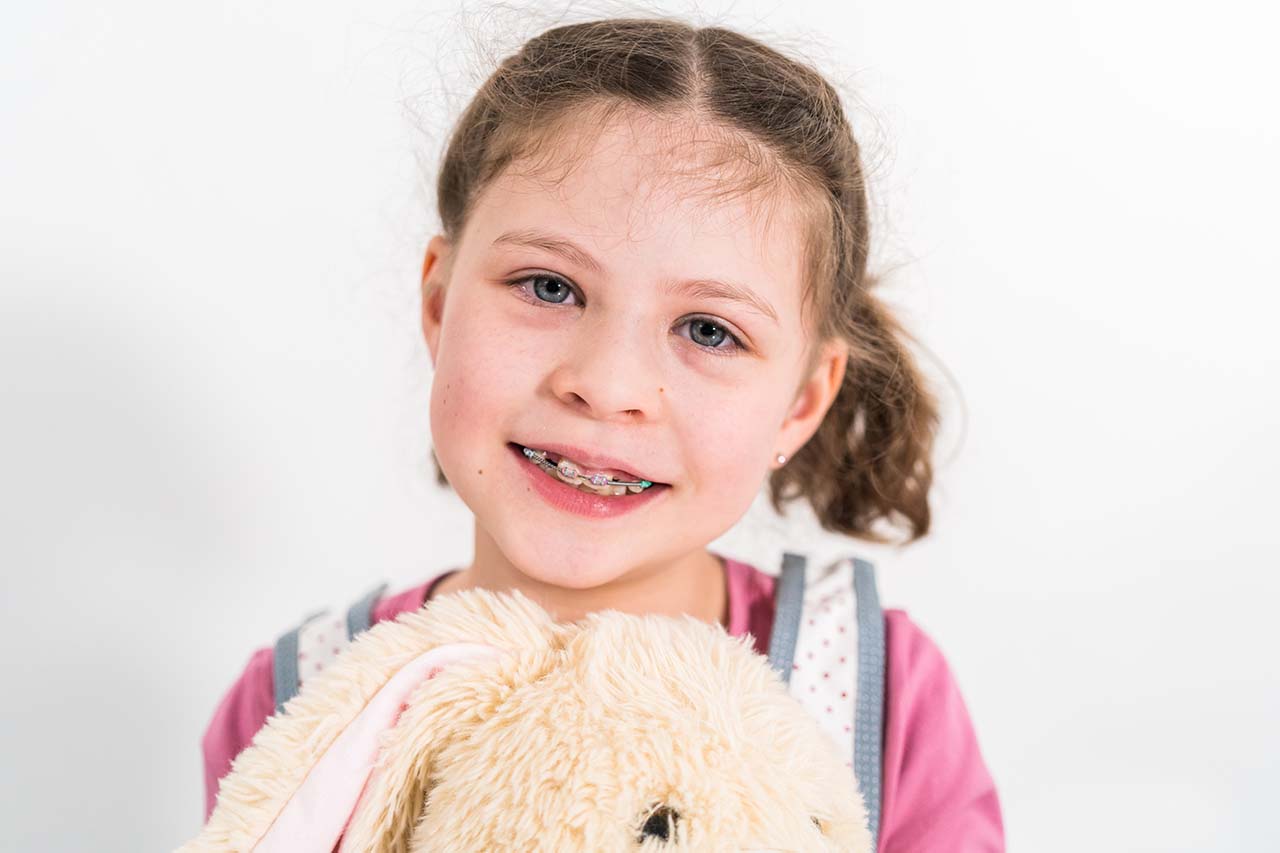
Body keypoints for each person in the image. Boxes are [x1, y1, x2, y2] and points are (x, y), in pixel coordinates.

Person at [201, 15, 1004, 850]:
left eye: (708, 331)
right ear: (439, 305)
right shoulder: (301, 699)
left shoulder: (880, 695)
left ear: (801, 404)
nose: (607, 386)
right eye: (549, 287)